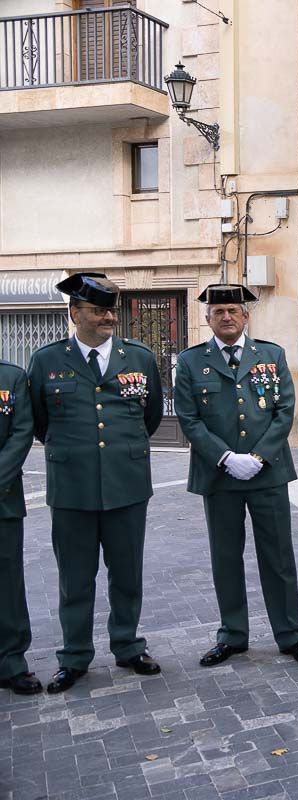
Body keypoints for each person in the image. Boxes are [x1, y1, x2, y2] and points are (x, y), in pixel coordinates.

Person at [27, 272, 164, 693]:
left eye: (110, 309)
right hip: (72, 489)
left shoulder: (138, 357)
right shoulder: (48, 361)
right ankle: (74, 656)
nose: (107, 317)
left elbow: (151, 415)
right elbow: (39, 422)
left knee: (127, 574)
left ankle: (127, 645)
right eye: (97, 310)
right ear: (74, 313)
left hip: (126, 485)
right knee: (75, 577)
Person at [174, 284, 298, 667]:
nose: (226, 317)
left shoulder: (270, 354)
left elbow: (284, 410)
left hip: (266, 473)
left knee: (279, 557)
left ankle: (290, 635)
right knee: (225, 558)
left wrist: (257, 456)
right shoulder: (190, 362)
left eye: (233, 310)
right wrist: (225, 458)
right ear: (207, 319)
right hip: (219, 476)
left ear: (245, 316)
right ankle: (232, 635)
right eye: (218, 312)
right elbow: (188, 418)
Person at [0, 358, 37, 695]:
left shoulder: (11, 377)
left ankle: (12, 661)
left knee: (8, 584)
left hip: (3, 498)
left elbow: (22, 432)